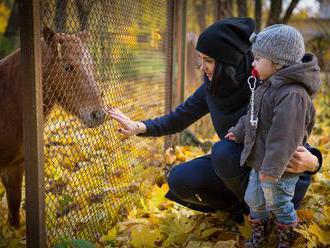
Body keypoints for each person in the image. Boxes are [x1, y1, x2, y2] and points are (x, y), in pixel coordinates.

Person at [107, 18, 322, 224]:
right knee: (179, 179)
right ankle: (242, 210)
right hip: (242, 168)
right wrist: (138, 127)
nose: (202, 67)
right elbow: (178, 117)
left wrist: (314, 163)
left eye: (209, 60)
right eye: (200, 59)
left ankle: (264, 213)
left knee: (223, 152)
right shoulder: (213, 88)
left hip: (281, 175)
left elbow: (293, 133)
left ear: (229, 61)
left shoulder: (267, 79)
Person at [226, 24, 321, 247]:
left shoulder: (293, 95)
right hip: (260, 162)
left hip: (280, 168)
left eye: (258, 59)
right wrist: (239, 131)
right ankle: (260, 231)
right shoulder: (266, 85)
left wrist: (271, 170)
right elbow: (252, 113)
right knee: (253, 199)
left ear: (277, 62)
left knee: (279, 202)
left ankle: (286, 235)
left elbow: (284, 137)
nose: (253, 63)